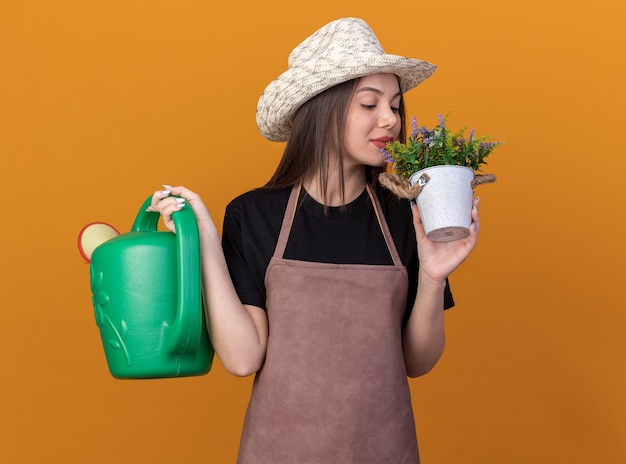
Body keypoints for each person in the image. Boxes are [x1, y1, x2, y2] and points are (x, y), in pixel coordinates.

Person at [148, 17, 480, 464]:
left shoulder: (406, 214)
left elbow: (416, 362)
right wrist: (206, 236)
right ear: (323, 110)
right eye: (369, 104)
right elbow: (244, 358)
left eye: (396, 106)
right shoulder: (253, 216)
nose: (391, 120)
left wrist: (435, 278)